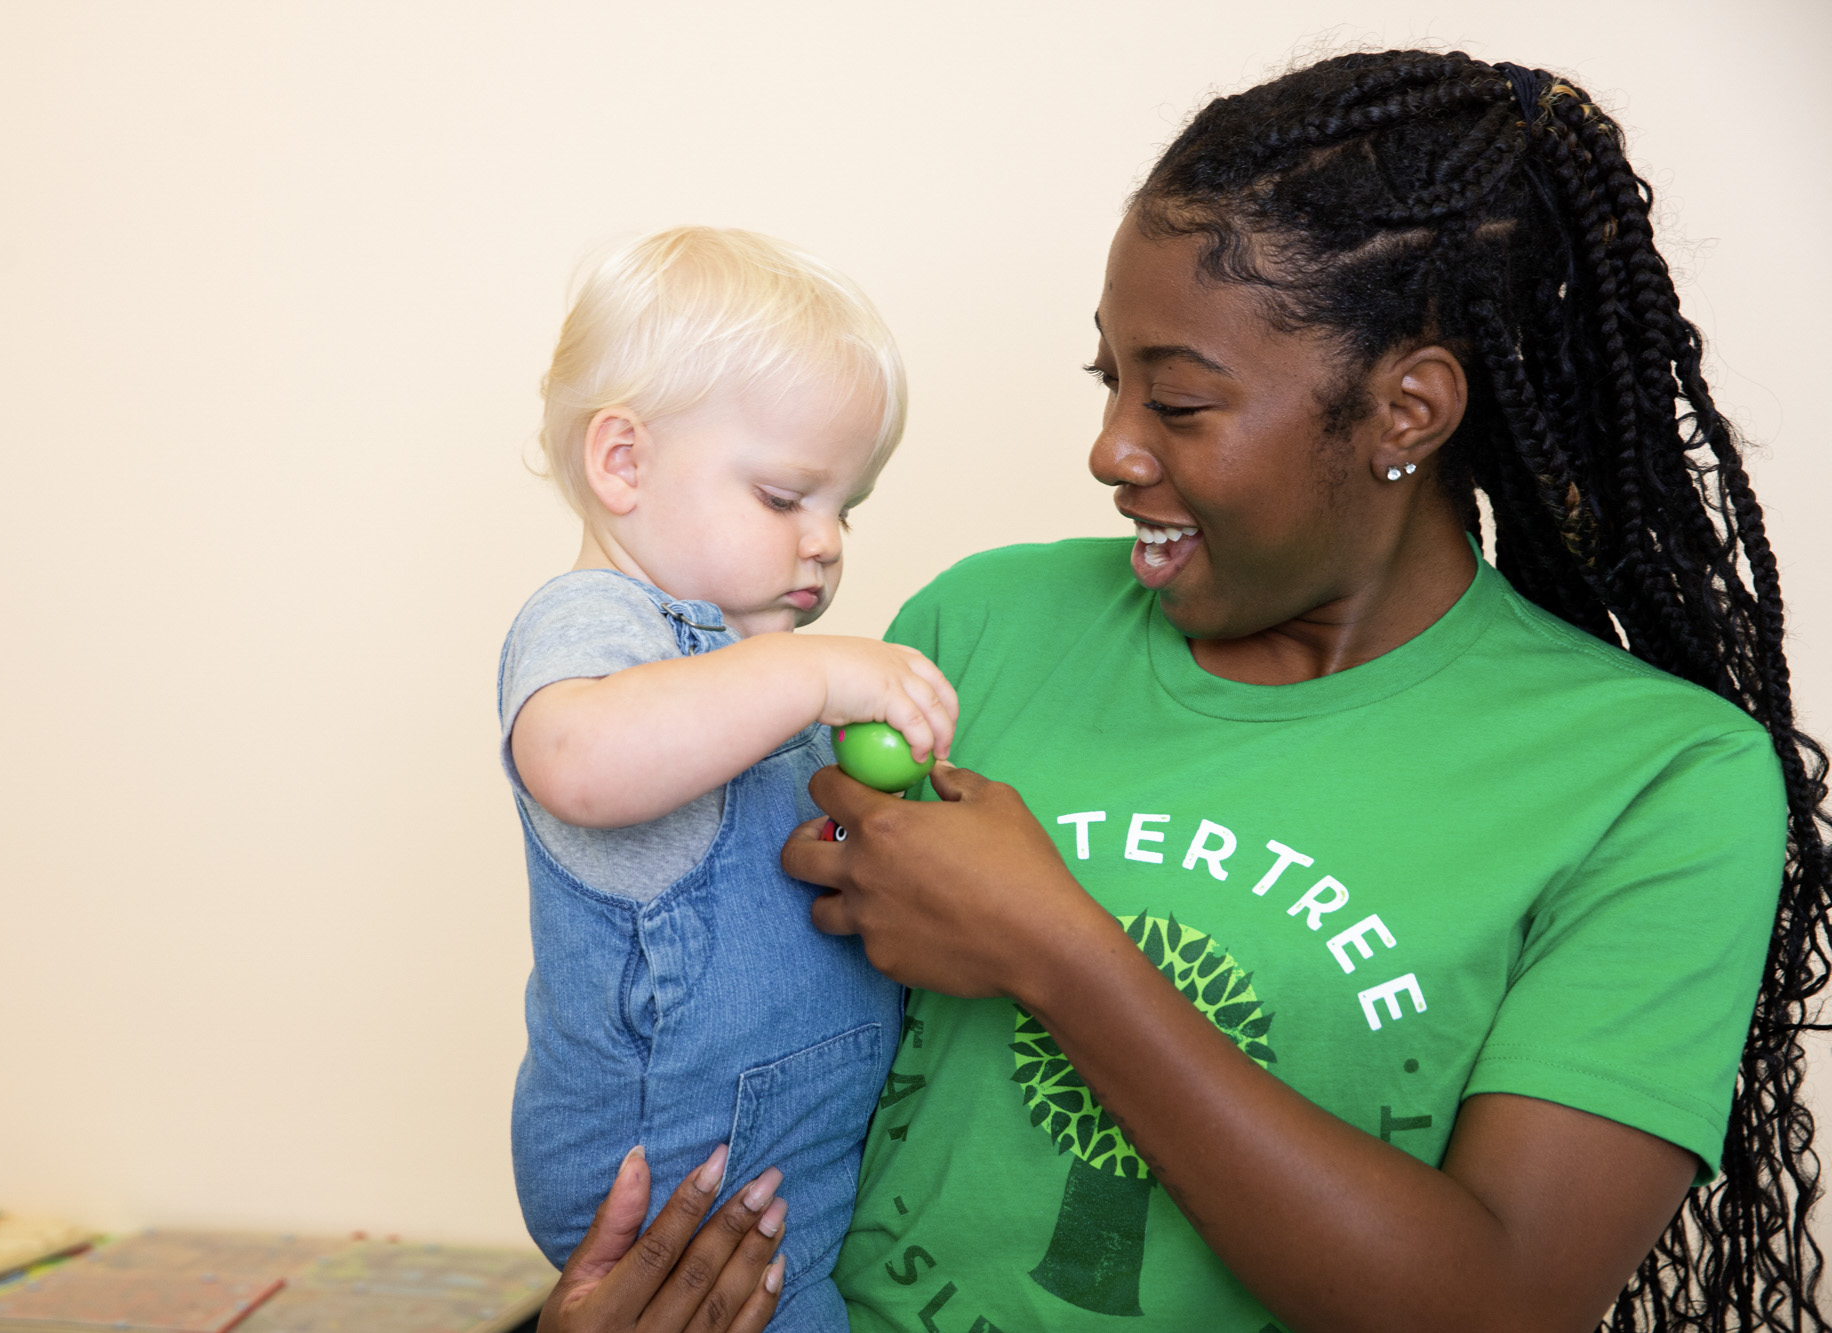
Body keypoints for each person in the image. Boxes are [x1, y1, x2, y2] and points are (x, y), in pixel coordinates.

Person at [536, 50, 1829, 1333]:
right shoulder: (977, 625)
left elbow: (1503, 1303)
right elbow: (743, 1019)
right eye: (1112, 381)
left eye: (1183, 399)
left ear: (1406, 410)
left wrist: (1059, 953)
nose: (1111, 448)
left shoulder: (1661, 780)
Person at [500, 226, 958, 1332]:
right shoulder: (598, 622)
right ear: (623, 463)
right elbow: (576, 759)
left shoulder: (742, 667)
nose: (826, 542)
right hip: (680, 1166)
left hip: (784, 1142)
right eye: (784, 497)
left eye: (844, 508)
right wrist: (806, 672)